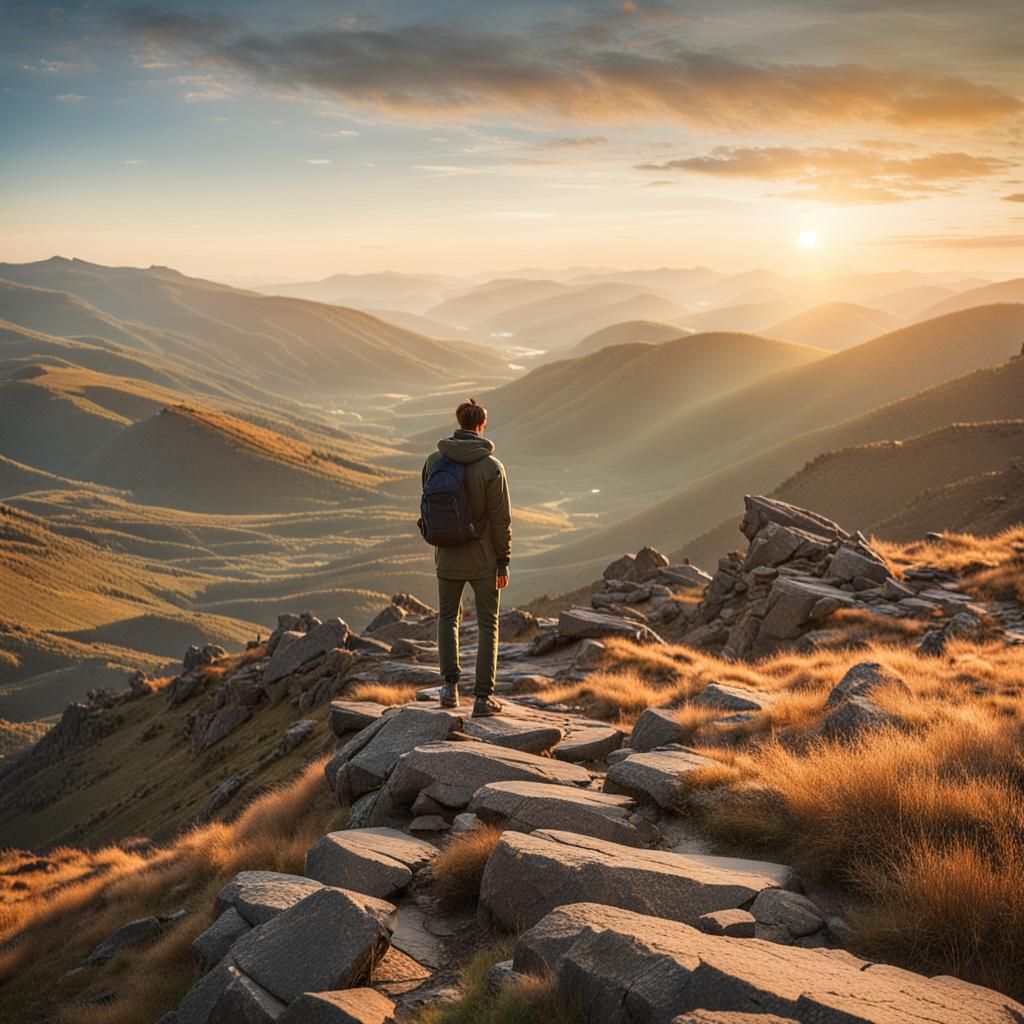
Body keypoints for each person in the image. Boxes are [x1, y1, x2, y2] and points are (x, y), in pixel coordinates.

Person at [422, 399, 511, 717]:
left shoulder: (434, 460)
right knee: (488, 623)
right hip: (484, 559)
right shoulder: (492, 467)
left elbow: (429, 510)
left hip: (446, 556)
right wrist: (503, 561)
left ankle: (449, 689)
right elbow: (501, 521)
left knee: (448, 619)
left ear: (459, 422)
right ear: (482, 425)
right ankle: (483, 698)